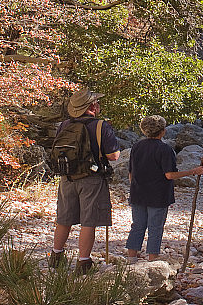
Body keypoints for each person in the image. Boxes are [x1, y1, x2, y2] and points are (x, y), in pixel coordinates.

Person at [49, 88, 120, 274]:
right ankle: (83, 262)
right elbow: (113, 156)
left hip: (67, 177)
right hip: (92, 178)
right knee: (89, 221)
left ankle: (56, 256)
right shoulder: (100, 126)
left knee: (63, 218)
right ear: (92, 106)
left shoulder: (64, 125)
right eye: (96, 102)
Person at [126, 115, 203, 261]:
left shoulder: (137, 146)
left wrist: (134, 188)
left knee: (137, 226)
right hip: (158, 195)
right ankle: (152, 259)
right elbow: (169, 175)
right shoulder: (165, 149)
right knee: (155, 228)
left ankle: (131, 259)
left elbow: (131, 173)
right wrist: (193, 171)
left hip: (138, 193)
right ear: (162, 131)